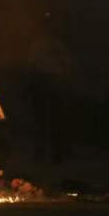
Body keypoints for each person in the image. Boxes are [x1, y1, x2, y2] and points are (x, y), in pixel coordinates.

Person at [28, 11, 73, 165]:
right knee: (43, 120)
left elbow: (67, 63)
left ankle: (55, 154)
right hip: (44, 82)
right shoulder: (40, 43)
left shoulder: (55, 44)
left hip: (52, 82)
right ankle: (44, 153)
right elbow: (33, 64)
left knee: (53, 119)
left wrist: (61, 77)